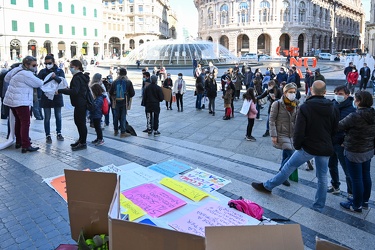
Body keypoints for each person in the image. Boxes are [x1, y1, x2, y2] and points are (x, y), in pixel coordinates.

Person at [251, 80, 339, 212]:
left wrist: (297, 145)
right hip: (325, 147)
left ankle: (268, 186)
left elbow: (299, 130)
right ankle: (319, 206)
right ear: (325, 92)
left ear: (312, 91)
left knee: (289, 166)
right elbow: (335, 129)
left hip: (308, 147)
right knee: (322, 177)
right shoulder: (333, 107)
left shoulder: (306, 106)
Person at [338, 91, 375, 213]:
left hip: (354, 151)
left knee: (356, 179)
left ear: (359, 101)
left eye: (355, 99)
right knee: (366, 175)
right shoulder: (373, 114)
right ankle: (364, 201)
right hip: (368, 150)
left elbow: (339, 126)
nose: (354, 101)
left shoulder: (355, 116)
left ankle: (356, 205)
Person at [3, 56, 43, 153]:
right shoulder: (26, 74)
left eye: (36, 65)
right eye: (34, 65)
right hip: (21, 101)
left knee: (18, 121)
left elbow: (6, 78)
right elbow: (39, 83)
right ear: (26, 65)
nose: (35, 67)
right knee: (25, 123)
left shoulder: (16, 70)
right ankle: (26, 145)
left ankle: (19, 142)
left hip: (11, 101)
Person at [327, 85, 356, 197]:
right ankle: (335, 186)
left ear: (347, 95)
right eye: (336, 93)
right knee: (331, 165)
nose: (338, 96)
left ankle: (351, 193)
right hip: (330, 142)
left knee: (347, 170)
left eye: (341, 94)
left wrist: (345, 140)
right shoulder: (331, 105)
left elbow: (353, 129)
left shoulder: (351, 109)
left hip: (342, 144)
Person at [269, 83, 299, 187]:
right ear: (285, 92)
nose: (293, 94)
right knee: (291, 155)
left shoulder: (296, 103)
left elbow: (297, 119)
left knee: (286, 155)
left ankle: (283, 176)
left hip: (292, 134)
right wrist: (273, 134)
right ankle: (281, 175)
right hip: (281, 133)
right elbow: (272, 120)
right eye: (290, 92)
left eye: (294, 92)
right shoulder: (277, 104)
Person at [58, 60, 90, 151]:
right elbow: (78, 90)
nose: (70, 68)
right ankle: (81, 140)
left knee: (80, 123)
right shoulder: (82, 76)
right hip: (82, 102)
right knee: (79, 122)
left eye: (71, 66)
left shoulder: (77, 77)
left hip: (80, 103)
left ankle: (83, 142)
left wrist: (61, 90)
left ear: (76, 67)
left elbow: (75, 91)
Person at [37, 55, 66, 144]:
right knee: (47, 117)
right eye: (46, 63)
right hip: (46, 97)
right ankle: (48, 135)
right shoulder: (42, 71)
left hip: (57, 96)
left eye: (49, 63)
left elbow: (63, 83)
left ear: (53, 62)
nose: (47, 65)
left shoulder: (59, 71)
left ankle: (59, 133)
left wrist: (55, 77)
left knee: (58, 116)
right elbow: (38, 83)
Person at [109, 68, 135, 137]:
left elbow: (110, 92)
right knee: (123, 116)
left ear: (119, 74)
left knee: (116, 116)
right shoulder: (128, 82)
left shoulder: (115, 82)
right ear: (126, 73)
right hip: (124, 101)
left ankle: (115, 130)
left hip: (116, 101)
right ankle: (123, 132)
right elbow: (132, 93)